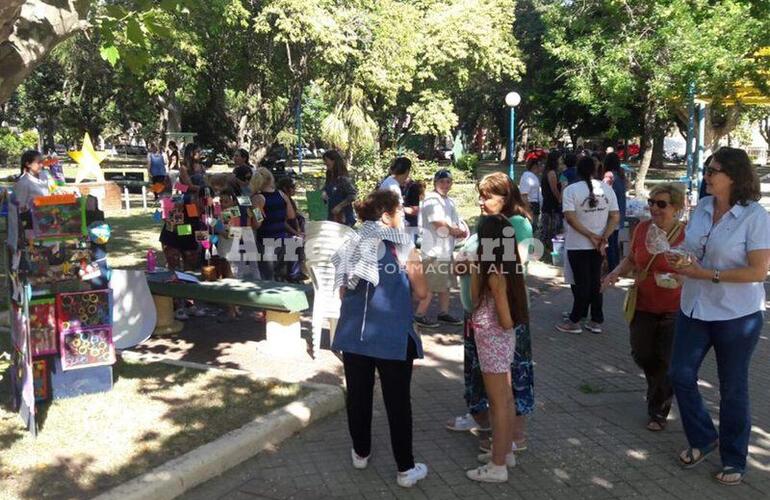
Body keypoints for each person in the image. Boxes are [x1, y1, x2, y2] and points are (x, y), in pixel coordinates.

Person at [666, 147, 770, 486]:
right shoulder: (703, 208)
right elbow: (693, 248)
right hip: (694, 307)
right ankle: (703, 438)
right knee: (680, 373)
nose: (707, 175)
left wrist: (706, 274)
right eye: (707, 169)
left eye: (714, 171)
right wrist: (680, 259)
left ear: (735, 177)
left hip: (736, 316)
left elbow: (758, 271)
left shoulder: (755, 216)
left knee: (733, 388)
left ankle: (735, 458)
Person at [331, 189, 429, 488]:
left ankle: (360, 453)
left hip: (353, 337)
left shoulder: (351, 244)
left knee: (358, 397)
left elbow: (342, 290)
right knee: (398, 403)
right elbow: (423, 293)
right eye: (400, 211)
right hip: (392, 338)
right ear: (386, 215)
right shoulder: (404, 246)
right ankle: (405, 469)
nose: (404, 216)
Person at [448, 172, 535, 462]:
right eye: (480, 195)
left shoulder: (517, 223)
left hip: (502, 313)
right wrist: (462, 264)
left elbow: (517, 262)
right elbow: (471, 255)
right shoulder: (484, 223)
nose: (481, 201)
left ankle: (512, 437)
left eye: (487, 196)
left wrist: (474, 264)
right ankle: (487, 425)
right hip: (478, 312)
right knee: (478, 373)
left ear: (505, 196)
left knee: (513, 377)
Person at [601, 183, 685, 431]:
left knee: (666, 359)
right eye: (651, 202)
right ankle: (656, 387)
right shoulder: (642, 228)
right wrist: (615, 273)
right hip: (644, 302)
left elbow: (695, 266)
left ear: (676, 208)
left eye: (661, 204)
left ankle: (658, 411)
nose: (654, 208)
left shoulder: (686, 234)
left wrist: (683, 277)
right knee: (642, 353)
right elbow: (630, 258)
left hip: (674, 306)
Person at [465, 214, 530, 483]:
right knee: (506, 398)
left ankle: (497, 465)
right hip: (494, 342)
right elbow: (473, 300)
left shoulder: (496, 276)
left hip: (494, 341)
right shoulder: (500, 268)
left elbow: (505, 320)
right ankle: (504, 451)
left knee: (499, 402)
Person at [555, 156, 619, 335]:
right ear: (595, 170)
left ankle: (575, 320)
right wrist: (603, 237)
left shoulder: (571, 190)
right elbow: (615, 216)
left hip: (577, 244)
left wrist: (590, 235)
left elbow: (570, 217)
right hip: (598, 244)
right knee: (594, 282)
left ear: (578, 170)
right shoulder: (607, 189)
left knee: (582, 283)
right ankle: (596, 319)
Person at [414, 169, 467, 328]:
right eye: (441, 181)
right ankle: (419, 315)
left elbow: (454, 221)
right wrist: (454, 231)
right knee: (431, 285)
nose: (445, 184)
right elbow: (437, 223)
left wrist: (459, 231)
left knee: (445, 285)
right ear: (435, 182)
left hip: (446, 250)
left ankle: (443, 313)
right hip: (434, 252)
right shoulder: (431, 200)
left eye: (448, 181)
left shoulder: (450, 201)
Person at [251, 167, 295, 280]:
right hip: (282, 239)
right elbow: (291, 215)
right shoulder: (282, 195)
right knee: (280, 273)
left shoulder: (257, 199)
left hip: (266, 241)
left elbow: (257, 224)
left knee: (267, 276)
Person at [8, 150, 49, 250]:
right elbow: (20, 208)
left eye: (42, 162)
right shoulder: (23, 183)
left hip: (47, 219)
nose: (41, 164)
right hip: (32, 224)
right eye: (38, 162)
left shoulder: (44, 176)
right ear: (28, 164)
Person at [276, 176, 306, 283]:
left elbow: (294, 217)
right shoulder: (282, 201)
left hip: (292, 230)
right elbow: (283, 221)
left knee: (299, 241)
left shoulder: (290, 200)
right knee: (293, 242)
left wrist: (298, 230)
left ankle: (296, 271)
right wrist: (296, 232)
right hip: (285, 232)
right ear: (285, 188)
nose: (295, 189)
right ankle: (293, 273)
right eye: (292, 187)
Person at [602, 152, 627, 271]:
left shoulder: (609, 176)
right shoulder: (621, 175)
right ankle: (616, 267)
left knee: (610, 243)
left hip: (610, 214)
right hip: (620, 212)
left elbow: (604, 193)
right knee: (614, 243)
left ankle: (612, 269)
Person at [322, 150, 357, 226]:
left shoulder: (343, 179)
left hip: (343, 217)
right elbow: (326, 187)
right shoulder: (329, 175)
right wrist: (324, 192)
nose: (325, 163)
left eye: (326, 160)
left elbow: (352, 196)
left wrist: (339, 206)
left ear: (334, 161)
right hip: (332, 217)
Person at [539, 150, 562, 254]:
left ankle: (545, 246)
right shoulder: (552, 172)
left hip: (548, 203)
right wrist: (560, 199)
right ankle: (546, 246)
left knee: (548, 226)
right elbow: (554, 189)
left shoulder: (548, 171)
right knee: (550, 227)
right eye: (560, 158)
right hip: (551, 204)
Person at [519, 157, 543, 237]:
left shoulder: (534, 176)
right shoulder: (527, 176)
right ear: (535, 166)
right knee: (529, 228)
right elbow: (524, 194)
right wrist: (528, 208)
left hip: (534, 204)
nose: (542, 167)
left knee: (533, 228)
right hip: (530, 204)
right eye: (541, 165)